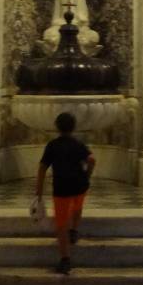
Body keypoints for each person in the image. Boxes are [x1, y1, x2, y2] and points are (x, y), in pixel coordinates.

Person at [35, 112, 95, 274]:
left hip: (61, 187)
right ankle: (74, 231)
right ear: (73, 127)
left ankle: (65, 259)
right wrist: (87, 175)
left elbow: (42, 168)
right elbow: (92, 159)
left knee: (61, 224)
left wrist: (39, 190)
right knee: (77, 207)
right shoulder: (78, 144)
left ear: (57, 127)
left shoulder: (53, 145)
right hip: (79, 184)